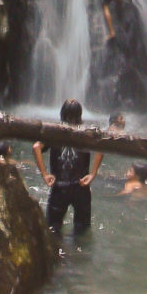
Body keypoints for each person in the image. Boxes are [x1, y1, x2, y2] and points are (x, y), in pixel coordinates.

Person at [33, 98, 103, 235]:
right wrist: (93, 173)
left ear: (62, 113)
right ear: (80, 115)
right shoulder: (86, 133)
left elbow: (36, 147)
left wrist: (45, 174)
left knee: (53, 229)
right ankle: (80, 256)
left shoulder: (54, 132)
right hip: (81, 187)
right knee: (82, 231)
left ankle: (56, 254)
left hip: (59, 187)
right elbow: (101, 148)